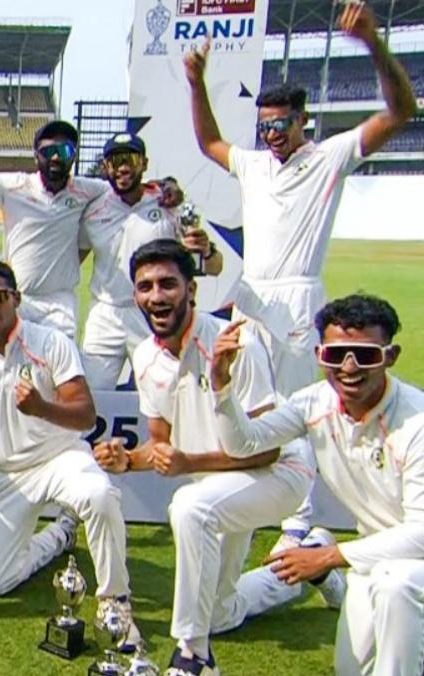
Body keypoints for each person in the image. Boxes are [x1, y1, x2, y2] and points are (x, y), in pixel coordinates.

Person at [186, 1, 416, 551]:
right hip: (251, 296)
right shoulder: (254, 163)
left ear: (302, 121)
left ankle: (299, 521)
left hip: (297, 297)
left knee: (299, 409)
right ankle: (245, 489)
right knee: (245, 398)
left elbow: (402, 110)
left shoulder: (331, 156)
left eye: (281, 125)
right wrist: (196, 83)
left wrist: (373, 42)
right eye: (264, 126)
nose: (272, 136)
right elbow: (209, 143)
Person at [96, 240, 341, 675]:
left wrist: (188, 464)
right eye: (146, 286)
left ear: (191, 289)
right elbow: (160, 442)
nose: (156, 296)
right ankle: (309, 563)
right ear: (135, 295)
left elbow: (266, 447)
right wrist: (128, 460)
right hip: (218, 484)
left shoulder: (233, 343)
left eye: (168, 284)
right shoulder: (146, 356)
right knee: (221, 613)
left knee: (189, 507)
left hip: (280, 472)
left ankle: (193, 655)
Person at [0, 259, 139, 646]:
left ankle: (114, 600)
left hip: (60, 457)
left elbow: (86, 415)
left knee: (99, 495)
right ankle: (60, 533)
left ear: (16, 299)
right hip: (6, 474)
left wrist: (42, 407)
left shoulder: (51, 342)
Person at [212, 294, 424, 675]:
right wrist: (222, 388)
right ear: (318, 353)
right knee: (351, 669)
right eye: (336, 354)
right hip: (372, 553)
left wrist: (325, 558)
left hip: (412, 561)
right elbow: (244, 444)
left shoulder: (417, 423)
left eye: (365, 355)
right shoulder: (313, 402)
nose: (348, 367)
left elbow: (422, 534)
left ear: (390, 356)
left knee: (397, 585)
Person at [0, 119, 182, 338]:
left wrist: (166, 184)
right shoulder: (13, 186)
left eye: (65, 151)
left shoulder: (89, 190)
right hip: (19, 298)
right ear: (36, 156)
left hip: (60, 302)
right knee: (13, 368)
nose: (56, 158)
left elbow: (127, 186)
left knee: (60, 374)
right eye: (49, 152)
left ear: (73, 156)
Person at [79, 132, 221, 390]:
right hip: (105, 313)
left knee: (163, 390)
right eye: (115, 161)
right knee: (92, 394)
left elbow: (213, 266)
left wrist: (207, 252)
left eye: (130, 160)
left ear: (144, 163)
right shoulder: (94, 208)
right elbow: (75, 258)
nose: (123, 168)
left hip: (151, 311)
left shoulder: (169, 204)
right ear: (105, 167)